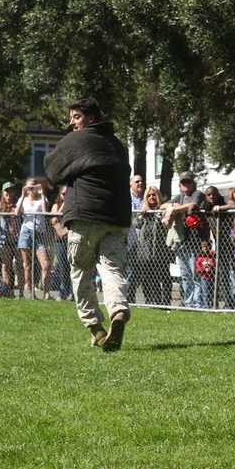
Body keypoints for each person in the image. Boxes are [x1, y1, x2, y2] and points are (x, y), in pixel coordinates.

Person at [44, 97, 132, 351]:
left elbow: (52, 170)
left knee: (81, 272)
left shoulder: (78, 139)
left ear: (91, 118)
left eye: (76, 117)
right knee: (112, 269)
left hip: (86, 217)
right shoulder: (117, 144)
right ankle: (118, 310)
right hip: (117, 218)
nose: (71, 122)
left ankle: (96, 328)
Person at [160, 171, 206, 308]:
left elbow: (193, 205)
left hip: (195, 241)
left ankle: (198, 302)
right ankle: (188, 301)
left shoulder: (197, 194)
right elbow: (162, 206)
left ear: (193, 183)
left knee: (196, 274)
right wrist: (173, 207)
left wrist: (177, 208)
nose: (185, 184)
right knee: (185, 276)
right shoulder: (178, 197)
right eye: (183, 182)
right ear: (180, 185)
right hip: (181, 243)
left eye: (188, 182)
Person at [131, 185, 172, 305]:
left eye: (154, 195)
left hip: (161, 251)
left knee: (165, 278)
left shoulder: (162, 210)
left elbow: (167, 225)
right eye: (149, 195)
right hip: (146, 252)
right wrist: (142, 215)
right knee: (149, 278)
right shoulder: (145, 212)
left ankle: (165, 302)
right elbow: (135, 224)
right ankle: (152, 301)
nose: (152, 197)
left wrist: (159, 216)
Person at [15, 178, 52, 299]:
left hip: (39, 232)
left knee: (45, 264)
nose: (32, 190)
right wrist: (22, 195)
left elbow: (45, 212)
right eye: (29, 188)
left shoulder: (42, 199)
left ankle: (46, 293)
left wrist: (43, 193)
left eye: (34, 187)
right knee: (27, 265)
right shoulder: (24, 200)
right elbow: (17, 213)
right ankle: (30, 293)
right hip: (26, 231)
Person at [0, 182, 22, 298]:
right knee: (6, 266)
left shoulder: (17, 204)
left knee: (19, 266)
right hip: (4, 241)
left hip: (18, 240)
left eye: (11, 191)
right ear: (3, 193)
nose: (8, 193)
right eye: (6, 191)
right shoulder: (0, 205)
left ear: (14, 192)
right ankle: (7, 291)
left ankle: (21, 293)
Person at [50, 185, 73, 301]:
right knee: (63, 267)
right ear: (60, 195)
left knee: (72, 266)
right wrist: (64, 204)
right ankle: (63, 291)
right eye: (64, 194)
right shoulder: (56, 205)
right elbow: (54, 219)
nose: (66, 196)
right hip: (59, 240)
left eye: (68, 193)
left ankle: (72, 293)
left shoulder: (73, 205)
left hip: (71, 239)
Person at [126, 174, 146, 303]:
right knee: (130, 272)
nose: (140, 183)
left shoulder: (147, 197)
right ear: (130, 185)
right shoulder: (126, 198)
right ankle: (129, 299)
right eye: (137, 181)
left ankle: (149, 300)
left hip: (144, 242)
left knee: (144, 272)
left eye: (142, 181)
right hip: (130, 241)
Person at [195, 238, 216, 308]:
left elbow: (215, 266)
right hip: (204, 278)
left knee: (212, 292)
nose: (206, 249)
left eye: (207, 247)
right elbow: (198, 269)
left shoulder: (212, 257)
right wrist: (203, 268)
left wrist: (211, 266)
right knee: (205, 292)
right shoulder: (200, 258)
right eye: (204, 247)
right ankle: (205, 306)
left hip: (212, 277)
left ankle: (213, 305)